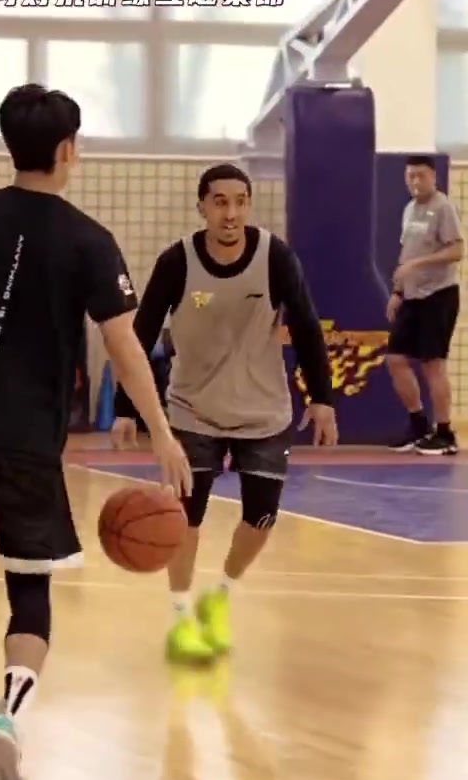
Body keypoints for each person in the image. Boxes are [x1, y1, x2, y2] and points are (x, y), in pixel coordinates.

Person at [0, 84, 191, 780]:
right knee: (29, 585)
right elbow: (124, 344)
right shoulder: (89, 239)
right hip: (30, 439)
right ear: (67, 149)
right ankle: (6, 717)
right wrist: (161, 432)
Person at [111, 163, 337, 665]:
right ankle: (181, 618)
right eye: (220, 202)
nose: (231, 213)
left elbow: (305, 326)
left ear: (248, 206)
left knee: (261, 518)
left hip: (264, 410)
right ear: (202, 207)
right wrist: (126, 408)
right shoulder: (178, 261)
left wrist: (322, 398)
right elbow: (141, 334)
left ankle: (221, 595)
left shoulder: (275, 257)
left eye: (240, 202)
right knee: (183, 518)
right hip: (193, 410)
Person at [386, 156, 463, 455]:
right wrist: (397, 291)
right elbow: (407, 252)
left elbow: (457, 250)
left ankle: (445, 433)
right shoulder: (409, 209)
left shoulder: (443, 207)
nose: (415, 181)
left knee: (433, 364)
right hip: (412, 295)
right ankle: (418, 424)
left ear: (433, 176)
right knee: (395, 358)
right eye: (410, 176)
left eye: (421, 175)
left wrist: (419, 263)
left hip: (439, 294)